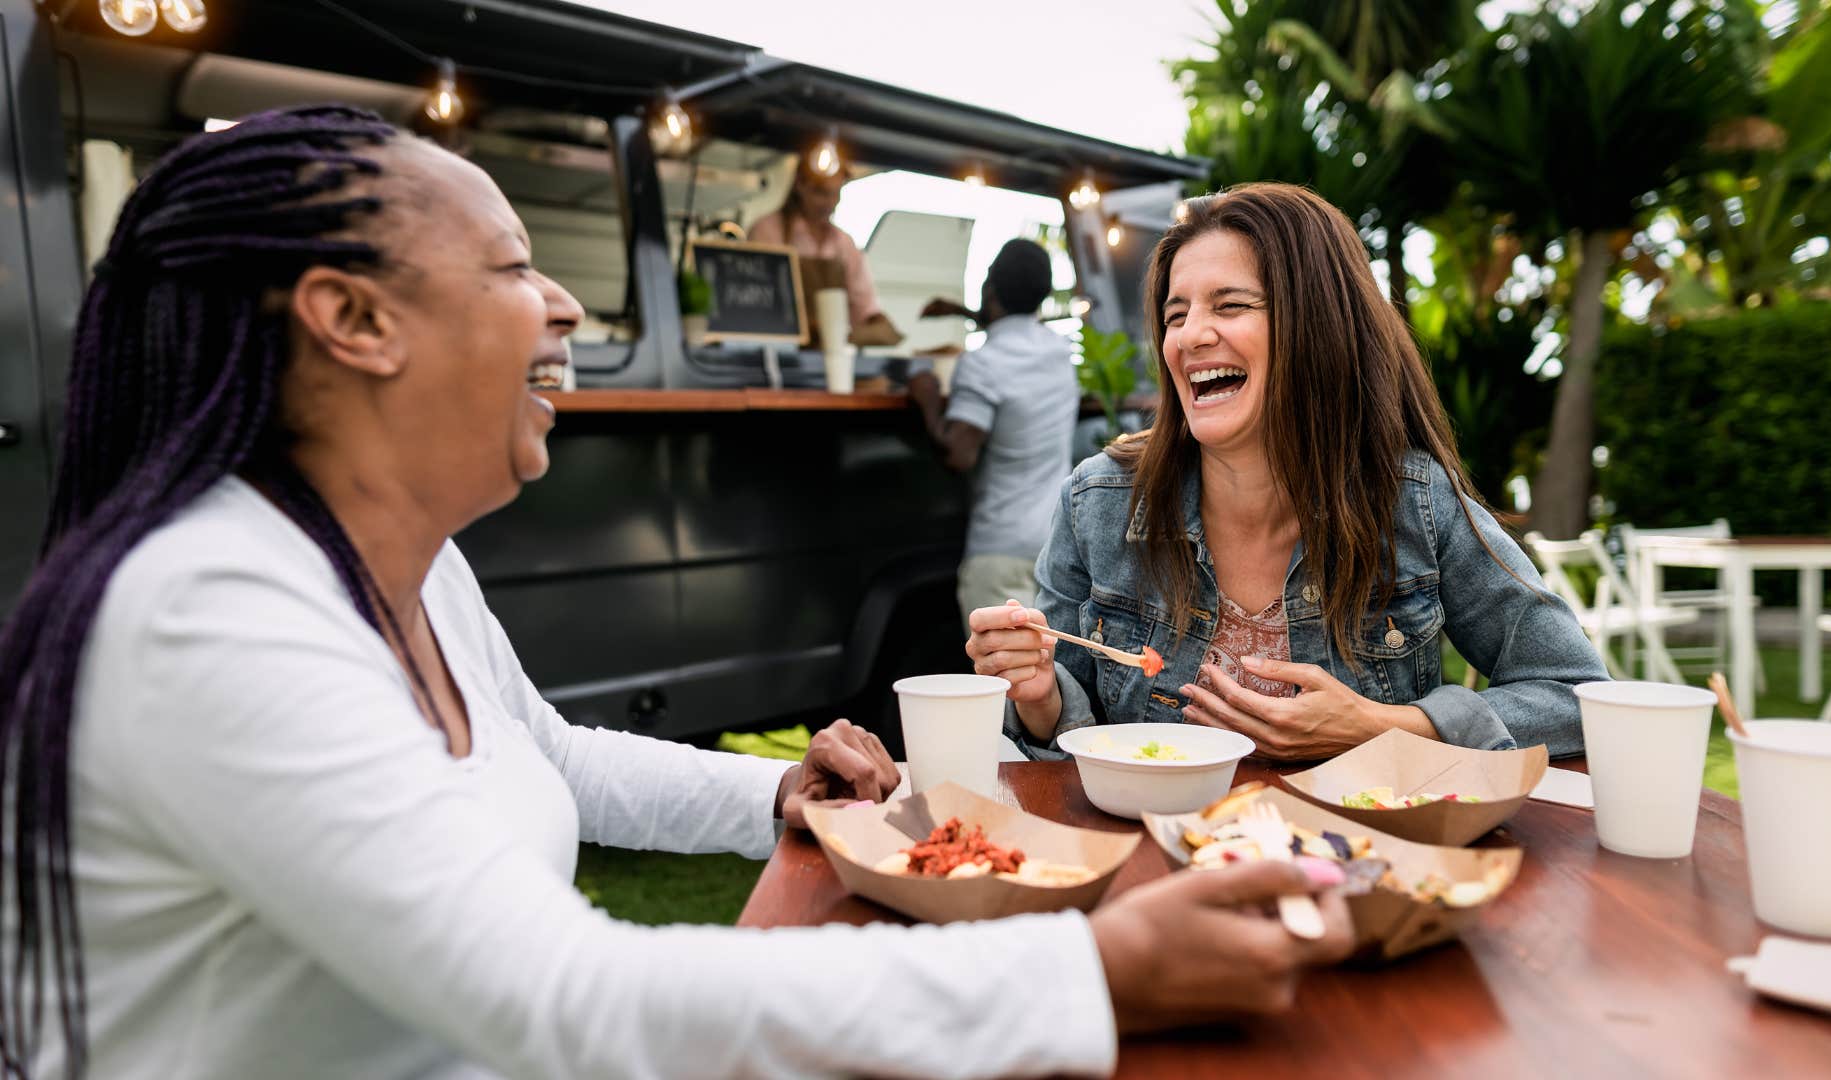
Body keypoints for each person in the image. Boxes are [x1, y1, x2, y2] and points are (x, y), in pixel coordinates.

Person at [0, 109, 1356, 1080]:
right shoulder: (208, 609)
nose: (565, 312)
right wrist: (1092, 975)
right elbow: (567, 999)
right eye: (515, 270)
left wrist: (776, 796)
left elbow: (561, 765)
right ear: (354, 322)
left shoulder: (404, 569)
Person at [964, 183, 1608, 763]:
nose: (1190, 336)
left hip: (1359, 869)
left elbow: (1578, 694)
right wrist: (1039, 694)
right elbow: (1067, 731)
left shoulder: (1413, 502)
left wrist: (1383, 727)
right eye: (1175, 314)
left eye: (1230, 305)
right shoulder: (1098, 501)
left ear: (1316, 325)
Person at [909, 239, 1081, 624]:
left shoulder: (982, 364)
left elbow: (959, 454)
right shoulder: (1059, 354)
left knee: (998, 681)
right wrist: (965, 312)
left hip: (999, 553)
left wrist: (928, 400)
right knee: (1045, 678)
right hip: (1054, 541)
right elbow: (1009, 325)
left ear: (990, 290)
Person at [747, 160, 902, 346]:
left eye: (836, 193)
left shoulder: (844, 243)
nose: (830, 202)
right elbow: (758, 298)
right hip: (779, 350)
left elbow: (864, 304)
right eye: (821, 193)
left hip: (832, 351)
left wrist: (877, 325)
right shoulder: (767, 230)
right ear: (799, 185)